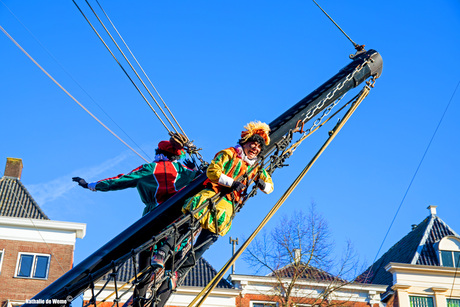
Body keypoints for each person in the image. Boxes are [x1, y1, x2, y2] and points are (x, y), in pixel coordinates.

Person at [72, 132, 199, 307]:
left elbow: (120, 180)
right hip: (177, 217)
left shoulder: (147, 169)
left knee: (145, 257)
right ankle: (171, 275)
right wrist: (198, 171)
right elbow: (200, 179)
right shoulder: (183, 171)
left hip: (153, 216)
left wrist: (91, 185)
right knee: (175, 247)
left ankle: (139, 295)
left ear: (158, 154)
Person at [151, 121, 274, 291]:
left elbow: (269, 186)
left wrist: (262, 184)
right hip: (211, 195)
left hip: (227, 206)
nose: (255, 149)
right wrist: (231, 183)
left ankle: (178, 271)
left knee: (205, 242)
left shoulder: (255, 167)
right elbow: (213, 171)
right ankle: (162, 253)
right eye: (252, 144)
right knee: (186, 225)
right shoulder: (229, 154)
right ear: (244, 142)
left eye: (258, 147)